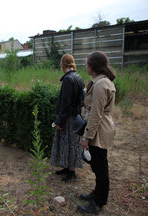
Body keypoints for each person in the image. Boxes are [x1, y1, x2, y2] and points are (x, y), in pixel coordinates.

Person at [77, 51, 116, 214]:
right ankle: (97, 194)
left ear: (92, 67)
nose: (85, 66)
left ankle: (98, 203)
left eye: (87, 64)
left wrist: (87, 136)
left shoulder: (101, 84)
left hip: (99, 130)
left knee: (100, 168)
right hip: (100, 128)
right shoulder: (101, 81)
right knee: (98, 166)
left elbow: (96, 113)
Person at [50, 54, 85, 182]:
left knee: (69, 143)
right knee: (69, 143)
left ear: (62, 65)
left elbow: (65, 103)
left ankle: (71, 172)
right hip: (75, 116)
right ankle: (67, 168)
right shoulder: (78, 77)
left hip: (69, 118)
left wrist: (60, 121)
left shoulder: (68, 79)